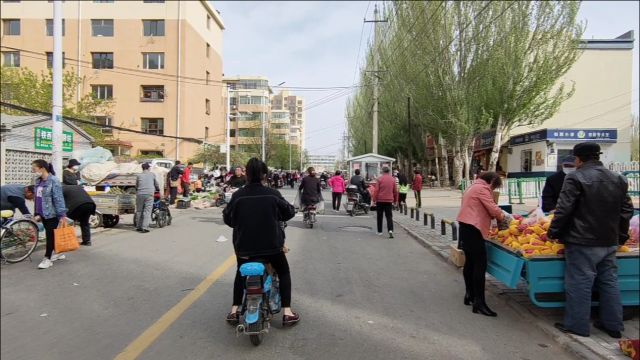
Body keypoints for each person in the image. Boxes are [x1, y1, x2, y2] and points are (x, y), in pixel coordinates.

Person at [549, 143, 634, 339]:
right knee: (609, 282)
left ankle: (577, 325)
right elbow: (627, 210)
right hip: (609, 240)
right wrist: (620, 235)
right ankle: (613, 325)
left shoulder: (575, 177)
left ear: (578, 159)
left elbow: (564, 209)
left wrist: (554, 232)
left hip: (582, 241)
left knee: (580, 283)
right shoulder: (618, 178)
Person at [222, 158, 299, 326]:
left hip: (244, 248)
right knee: (283, 272)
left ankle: (234, 311)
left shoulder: (238, 195)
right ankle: (287, 312)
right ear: (265, 175)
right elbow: (288, 213)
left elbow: (228, 219)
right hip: (272, 247)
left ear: (246, 174)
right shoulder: (272, 194)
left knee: (240, 273)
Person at [456, 171, 505, 317]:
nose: (493, 190)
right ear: (491, 182)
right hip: (474, 228)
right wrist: (503, 216)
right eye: (494, 187)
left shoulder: (472, 186)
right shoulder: (482, 189)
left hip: (466, 227)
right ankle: (479, 303)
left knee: (470, 263)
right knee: (480, 264)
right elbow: (492, 208)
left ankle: (469, 295)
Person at [31, 159, 68, 270]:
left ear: (42, 168)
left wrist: (62, 215)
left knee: (50, 236)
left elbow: (58, 198)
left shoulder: (54, 180)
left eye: (34, 169)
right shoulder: (37, 181)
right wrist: (36, 213)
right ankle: (59, 253)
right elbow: (37, 198)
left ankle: (47, 259)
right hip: (42, 213)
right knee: (52, 234)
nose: (33, 171)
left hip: (51, 213)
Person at [372, 167, 398, 238]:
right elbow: (395, 191)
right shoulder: (393, 179)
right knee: (389, 216)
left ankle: (380, 231)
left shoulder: (379, 179)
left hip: (380, 200)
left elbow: (376, 190)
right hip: (389, 200)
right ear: (389, 172)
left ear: (382, 171)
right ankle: (390, 230)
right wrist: (395, 201)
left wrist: (374, 200)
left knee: (379, 216)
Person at [135, 163, 159, 233]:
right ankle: (144, 227)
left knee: (139, 211)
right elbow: (156, 184)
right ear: (148, 168)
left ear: (142, 168)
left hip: (140, 194)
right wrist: (158, 189)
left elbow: (136, 185)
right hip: (149, 194)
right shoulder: (152, 174)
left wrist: (139, 190)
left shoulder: (139, 175)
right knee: (147, 211)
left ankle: (138, 227)